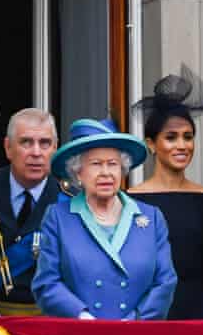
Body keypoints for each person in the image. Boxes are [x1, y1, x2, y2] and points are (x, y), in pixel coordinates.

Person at [32, 118, 177, 320]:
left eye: (113, 164)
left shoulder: (151, 218)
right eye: (96, 164)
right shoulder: (58, 218)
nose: (106, 173)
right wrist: (83, 317)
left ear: (122, 170)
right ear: (78, 172)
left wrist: (136, 319)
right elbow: (46, 283)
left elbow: (165, 281)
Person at [129, 64, 203, 319]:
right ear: (151, 144)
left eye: (188, 136)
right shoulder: (129, 200)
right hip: (147, 319)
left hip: (201, 317)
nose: (182, 145)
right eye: (171, 137)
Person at [0, 108, 61, 316]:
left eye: (45, 143)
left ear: (55, 149)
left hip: (46, 320)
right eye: (26, 142)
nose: (36, 153)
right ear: (8, 147)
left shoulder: (69, 201)